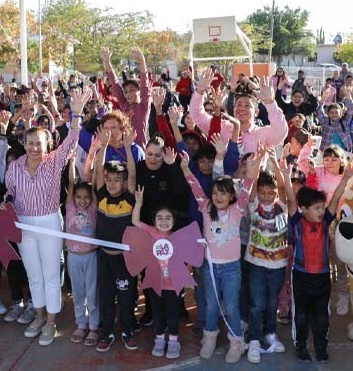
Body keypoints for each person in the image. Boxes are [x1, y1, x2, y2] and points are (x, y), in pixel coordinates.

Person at [3, 88, 91, 346]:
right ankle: (40, 316)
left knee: (51, 274)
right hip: (23, 225)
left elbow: (72, 140)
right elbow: (10, 192)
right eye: (30, 143)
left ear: (47, 145)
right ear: (24, 144)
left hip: (49, 222)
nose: (34, 148)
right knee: (34, 274)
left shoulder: (53, 162)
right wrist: (6, 204)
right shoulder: (14, 167)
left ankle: (51, 322)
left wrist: (76, 113)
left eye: (38, 143)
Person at [182, 149, 253, 364]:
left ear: (232, 196)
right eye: (215, 193)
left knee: (231, 307)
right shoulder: (205, 208)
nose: (218, 197)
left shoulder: (237, 211)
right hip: (210, 267)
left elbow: (247, 189)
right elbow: (195, 187)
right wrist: (186, 169)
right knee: (211, 305)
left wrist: (252, 170)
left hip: (231, 268)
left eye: (223, 193)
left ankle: (236, 342)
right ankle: (210, 337)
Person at [289, 164, 353, 363]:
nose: (321, 211)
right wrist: (283, 175)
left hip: (322, 277)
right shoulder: (297, 222)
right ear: (303, 209)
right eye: (317, 208)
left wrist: (346, 178)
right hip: (301, 276)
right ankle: (301, 346)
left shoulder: (325, 221)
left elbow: (335, 199)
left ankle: (320, 347)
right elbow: (291, 199)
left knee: (321, 316)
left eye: (321, 207)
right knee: (301, 316)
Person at [92, 130, 139, 353]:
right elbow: (98, 172)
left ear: (124, 182)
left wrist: (128, 148)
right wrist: (103, 146)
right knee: (106, 298)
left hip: (125, 261)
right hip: (104, 259)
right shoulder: (102, 196)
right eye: (109, 179)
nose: (111, 183)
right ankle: (107, 332)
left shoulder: (129, 199)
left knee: (127, 297)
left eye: (117, 180)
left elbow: (132, 176)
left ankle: (128, 330)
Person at [131, 186, 184, 360]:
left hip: (174, 286)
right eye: (160, 218)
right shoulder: (152, 232)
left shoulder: (178, 237)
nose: (163, 221)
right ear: (154, 221)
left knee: (173, 315)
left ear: (174, 221)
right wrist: (138, 204)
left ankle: (174, 341)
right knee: (158, 314)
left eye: (168, 218)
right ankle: (160, 339)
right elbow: (135, 222)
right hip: (155, 284)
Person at [64, 158, 99, 347]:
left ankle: (93, 326)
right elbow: (71, 182)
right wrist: (71, 162)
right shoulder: (70, 207)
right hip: (73, 257)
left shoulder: (93, 207)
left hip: (91, 256)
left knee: (92, 292)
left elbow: (94, 185)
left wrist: (94, 161)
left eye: (86, 197)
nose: (82, 200)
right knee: (78, 293)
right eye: (79, 197)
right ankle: (81, 323)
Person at [101, 47, 151, 147]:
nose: (128, 94)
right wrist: (107, 62)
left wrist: (142, 61)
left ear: (139, 92)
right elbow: (115, 84)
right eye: (126, 92)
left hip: (140, 149)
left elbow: (145, 86)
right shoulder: (124, 105)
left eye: (132, 90)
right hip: (124, 148)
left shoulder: (144, 106)